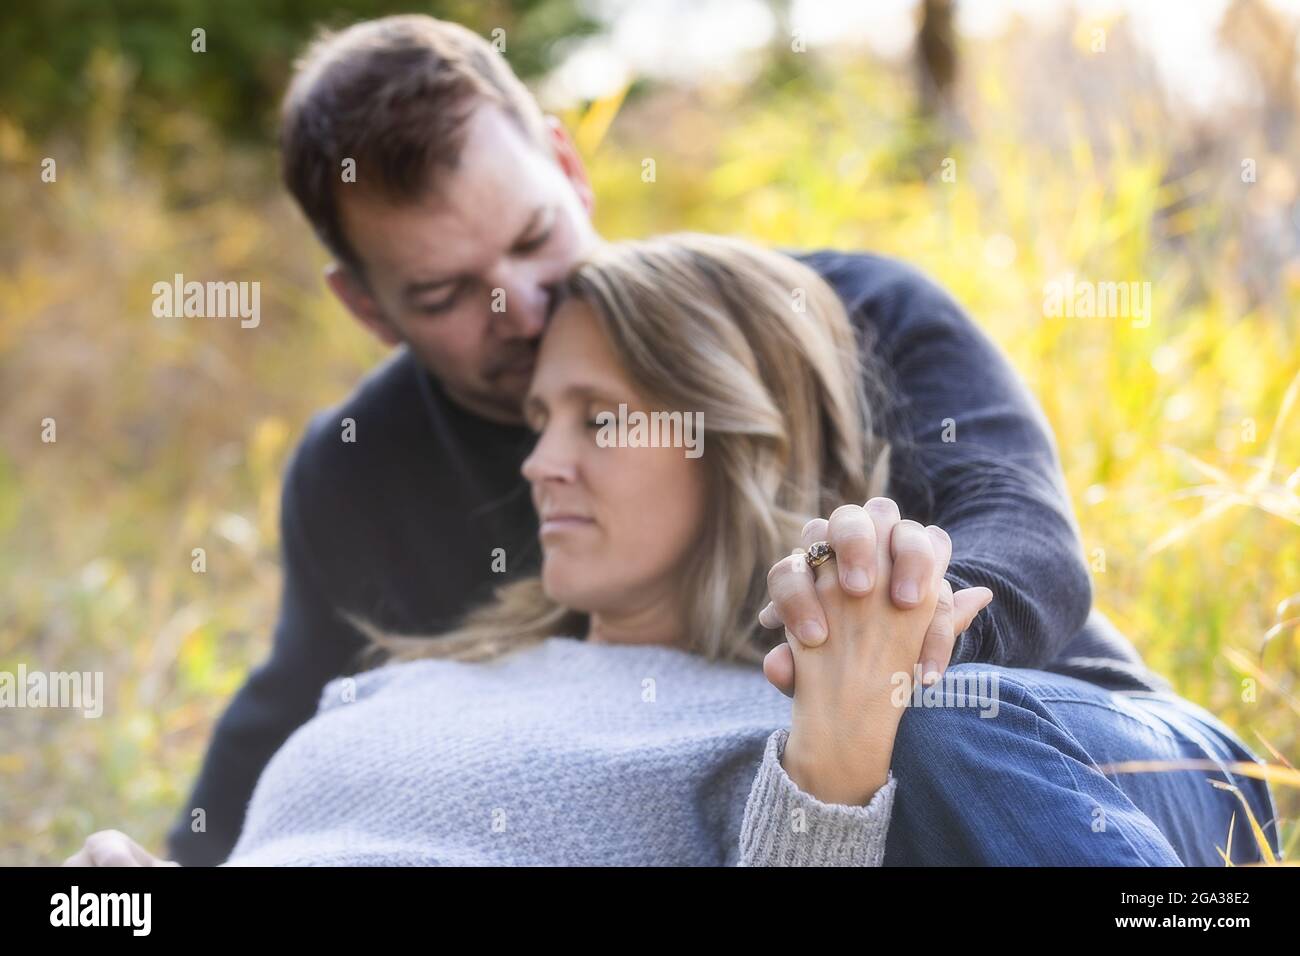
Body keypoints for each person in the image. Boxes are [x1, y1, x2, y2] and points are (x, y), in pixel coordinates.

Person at [143, 15, 1276, 865]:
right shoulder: (362, 469)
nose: (522, 309)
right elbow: (290, 710)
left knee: (917, 744)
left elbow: (1018, 521)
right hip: (837, 784)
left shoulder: (840, 314)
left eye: (535, 237)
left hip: (1072, 745)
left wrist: (876, 660)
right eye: (445, 292)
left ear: (569, 164)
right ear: (369, 308)